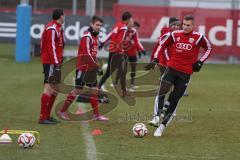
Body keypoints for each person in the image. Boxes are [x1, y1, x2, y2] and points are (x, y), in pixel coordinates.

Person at [151, 15, 212, 137]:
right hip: (171, 69)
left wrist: (200, 61)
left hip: (185, 74)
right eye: (183, 24)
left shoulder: (199, 37)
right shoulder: (175, 35)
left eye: (188, 25)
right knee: (161, 91)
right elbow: (161, 44)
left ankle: (162, 127)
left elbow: (209, 48)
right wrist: (156, 57)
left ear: (193, 26)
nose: (184, 27)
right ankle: (156, 117)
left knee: (174, 100)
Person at [57, 16, 109, 121]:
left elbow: (93, 54)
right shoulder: (87, 36)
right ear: (92, 24)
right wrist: (96, 66)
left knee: (94, 90)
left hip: (91, 69)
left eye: (100, 26)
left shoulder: (95, 36)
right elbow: (86, 54)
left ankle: (96, 115)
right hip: (83, 68)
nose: (99, 27)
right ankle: (62, 111)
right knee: (77, 90)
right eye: (97, 25)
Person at [147, 17, 181, 127]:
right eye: (174, 25)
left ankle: (168, 107)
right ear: (170, 25)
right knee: (164, 89)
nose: (176, 27)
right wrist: (154, 59)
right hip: (166, 65)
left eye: (177, 25)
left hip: (175, 66)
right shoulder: (167, 35)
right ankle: (158, 114)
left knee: (173, 89)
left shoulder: (179, 36)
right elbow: (160, 48)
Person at [39, 9, 65, 124]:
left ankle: (47, 115)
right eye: (64, 15)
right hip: (51, 62)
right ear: (61, 16)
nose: (65, 17)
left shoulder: (58, 28)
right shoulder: (52, 28)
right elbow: (50, 47)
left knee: (55, 89)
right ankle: (42, 117)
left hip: (55, 62)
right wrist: (56, 63)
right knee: (49, 87)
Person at [98, 11, 133, 97]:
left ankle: (98, 87)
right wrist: (121, 51)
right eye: (131, 19)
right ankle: (124, 91)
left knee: (109, 72)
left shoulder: (118, 25)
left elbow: (110, 34)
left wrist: (102, 43)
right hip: (117, 52)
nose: (131, 21)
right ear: (128, 19)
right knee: (122, 71)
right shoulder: (124, 28)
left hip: (112, 51)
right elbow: (120, 41)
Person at [112, 21, 146, 91]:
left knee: (133, 68)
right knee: (123, 68)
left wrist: (139, 51)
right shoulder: (125, 31)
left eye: (137, 28)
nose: (136, 29)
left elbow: (137, 42)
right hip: (125, 53)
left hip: (133, 54)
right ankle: (115, 82)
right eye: (135, 27)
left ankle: (132, 84)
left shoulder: (134, 33)